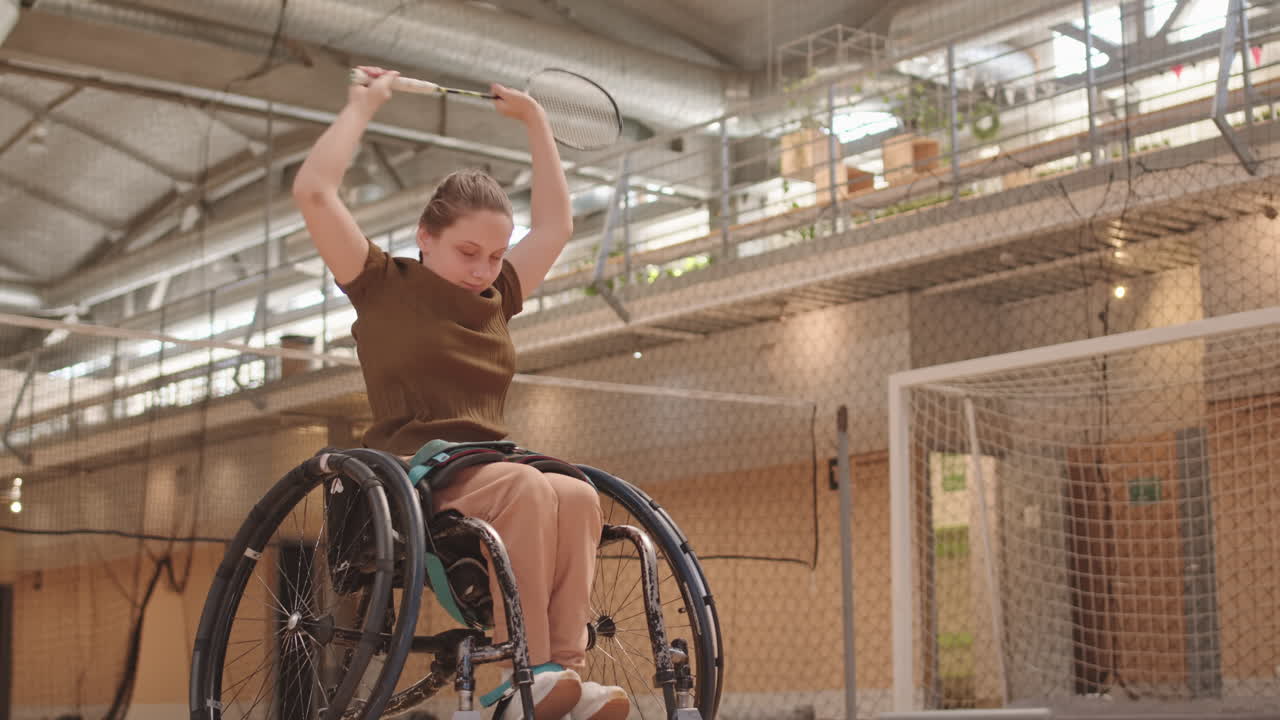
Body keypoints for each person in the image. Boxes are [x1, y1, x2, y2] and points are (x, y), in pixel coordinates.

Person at [292, 66, 628, 720]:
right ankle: (515, 667)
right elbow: (312, 191)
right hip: (417, 471)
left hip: (492, 463)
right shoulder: (381, 283)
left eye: (495, 255)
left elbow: (555, 226)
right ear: (426, 237)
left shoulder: (496, 295)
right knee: (530, 489)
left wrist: (536, 123)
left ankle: (563, 673)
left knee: (577, 492)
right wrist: (363, 106)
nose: (483, 269)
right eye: (467, 251)